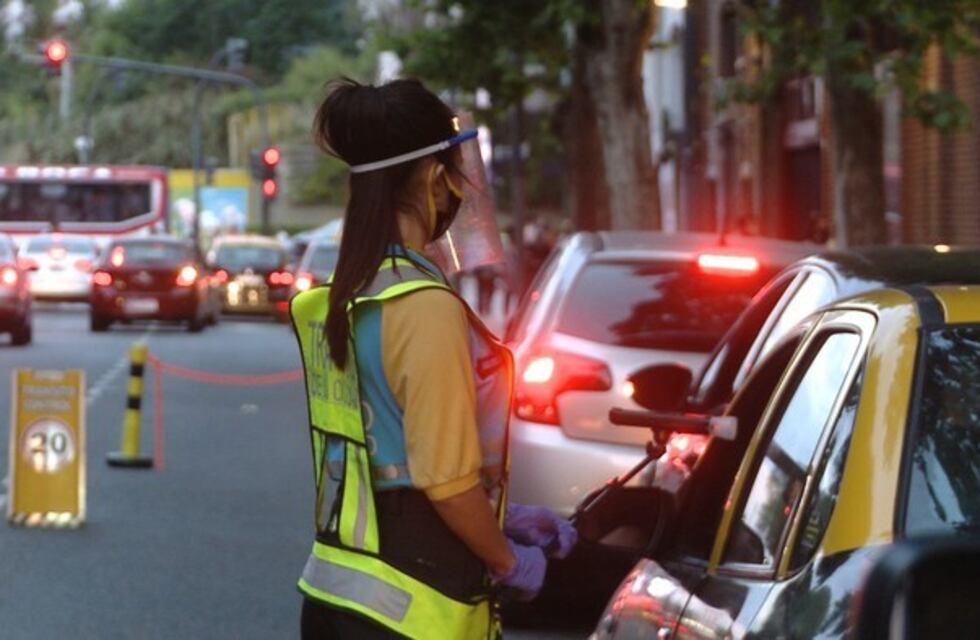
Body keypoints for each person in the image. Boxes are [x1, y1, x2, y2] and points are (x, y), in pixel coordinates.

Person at [290, 78, 577, 639]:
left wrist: (505, 517)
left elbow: (383, 460)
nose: (458, 194)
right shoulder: (423, 306)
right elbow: (444, 483)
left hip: (334, 595)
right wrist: (506, 559)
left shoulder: (352, 292)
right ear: (431, 176)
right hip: (415, 609)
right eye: (454, 173)